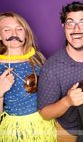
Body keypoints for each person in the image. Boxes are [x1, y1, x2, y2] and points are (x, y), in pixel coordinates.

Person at [37, 1, 83, 142]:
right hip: (72, 132)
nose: (76, 29)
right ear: (64, 27)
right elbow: (45, 113)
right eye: (70, 23)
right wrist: (67, 101)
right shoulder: (51, 68)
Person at [0, 12, 56, 141]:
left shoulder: (37, 57)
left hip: (44, 124)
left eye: (19, 29)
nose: (14, 34)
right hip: (16, 130)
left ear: (25, 34)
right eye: (7, 29)